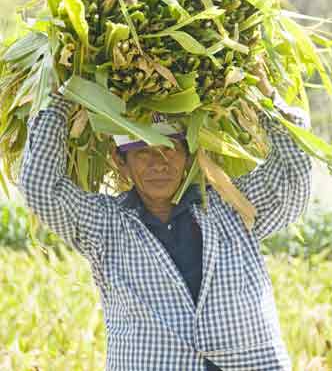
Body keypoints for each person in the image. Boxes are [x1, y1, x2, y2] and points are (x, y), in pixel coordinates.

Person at [18, 63, 312, 371]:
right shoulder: (105, 225)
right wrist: (66, 96)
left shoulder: (233, 208)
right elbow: (41, 186)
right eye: (143, 152)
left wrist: (265, 97)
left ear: (188, 156)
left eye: (169, 149)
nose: (159, 163)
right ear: (121, 162)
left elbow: (293, 174)